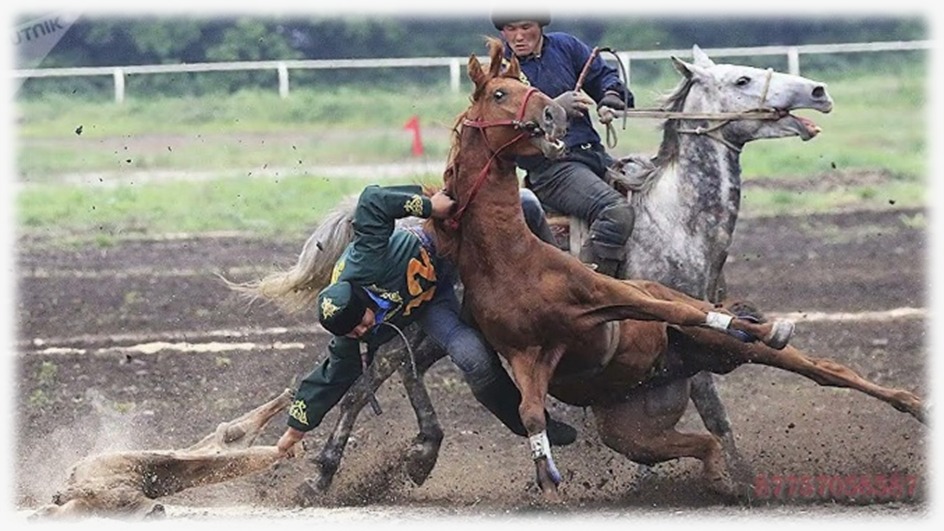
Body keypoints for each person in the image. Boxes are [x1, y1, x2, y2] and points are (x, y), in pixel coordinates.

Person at [276, 184, 575, 456]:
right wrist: (295, 430)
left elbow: (371, 201)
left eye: (361, 322)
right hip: (432, 300)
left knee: (527, 202)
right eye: (353, 333)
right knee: (473, 359)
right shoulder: (349, 330)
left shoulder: (365, 260)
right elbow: (330, 376)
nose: (361, 331)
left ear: (363, 296)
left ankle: (570, 272)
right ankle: (533, 425)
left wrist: (430, 207)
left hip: (443, 241)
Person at [493, 12, 636, 278]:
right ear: (503, 32)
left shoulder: (565, 46)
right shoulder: (501, 74)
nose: (519, 36)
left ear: (540, 27)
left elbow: (602, 76)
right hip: (551, 170)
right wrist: (556, 108)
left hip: (593, 155)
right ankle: (591, 286)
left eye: (526, 27)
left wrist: (611, 96)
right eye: (511, 29)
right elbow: (505, 133)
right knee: (616, 211)